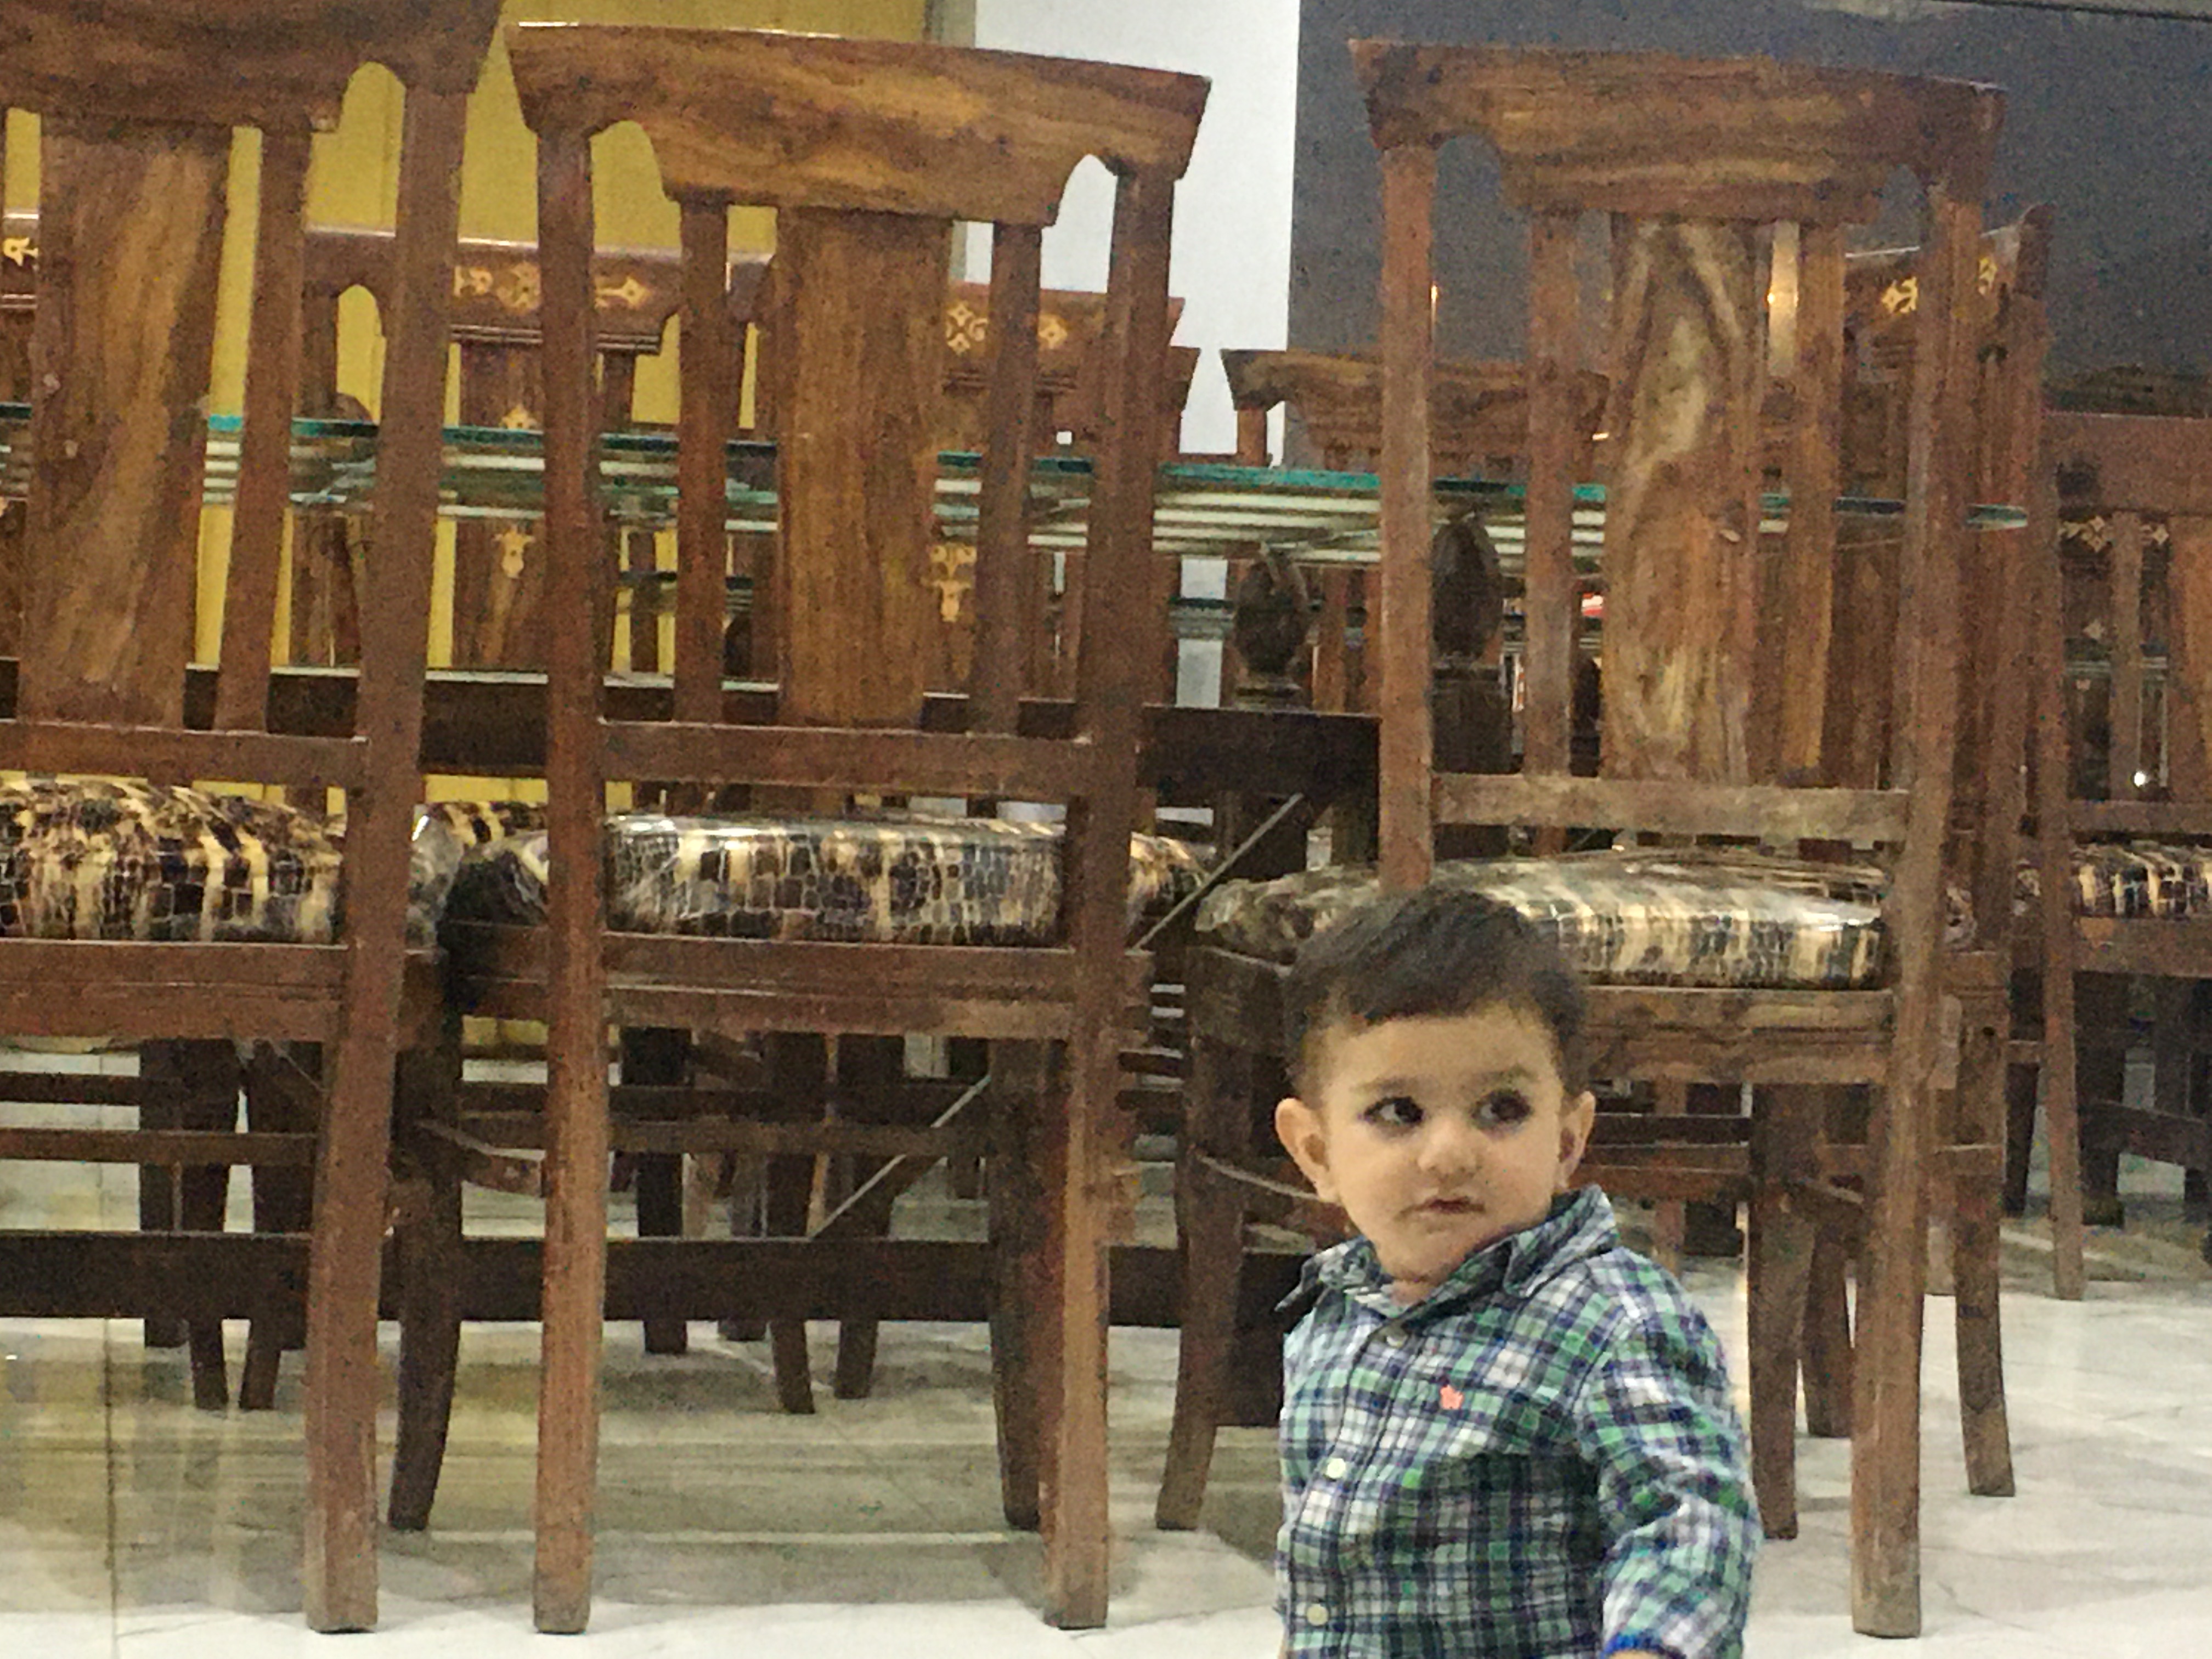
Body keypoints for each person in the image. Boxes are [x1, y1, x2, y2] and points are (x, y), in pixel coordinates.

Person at [1271, 883, 1758, 1657]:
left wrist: (1651, 1645)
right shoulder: (1333, 1314)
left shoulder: (1617, 1323)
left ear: (1566, 1142)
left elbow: (1690, 1519)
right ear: (1317, 1153)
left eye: (1501, 1110)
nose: (1449, 1154)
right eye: (1399, 1112)